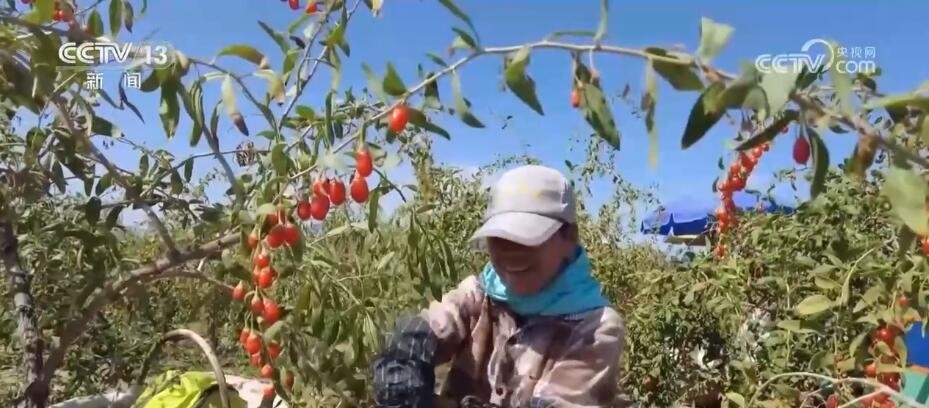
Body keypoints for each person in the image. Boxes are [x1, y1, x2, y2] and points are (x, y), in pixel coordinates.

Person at [372, 164, 626, 408]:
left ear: (570, 237)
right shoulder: (480, 295)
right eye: (499, 237)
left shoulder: (596, 329)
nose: (510, 251)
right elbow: (418, 335)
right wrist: (401, 377)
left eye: (528, 237)